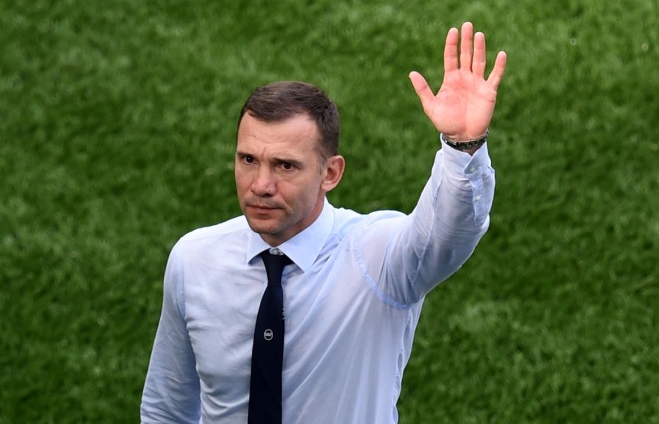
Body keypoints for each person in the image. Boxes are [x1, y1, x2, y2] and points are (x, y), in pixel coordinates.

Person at [141, 22, 507, 423]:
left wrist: (462, 147)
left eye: (285, 165)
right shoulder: (193, 261)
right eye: (248, 160)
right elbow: (166, 408)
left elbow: (449, 232)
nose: (261, 185)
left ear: (330, 173)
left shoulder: (378, 259)